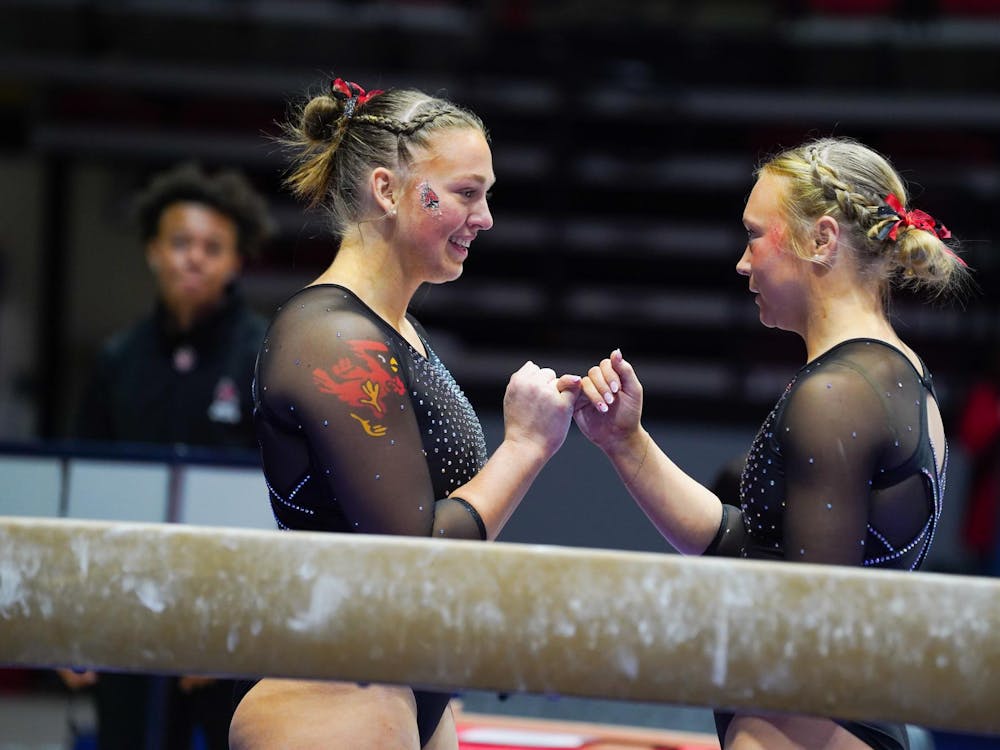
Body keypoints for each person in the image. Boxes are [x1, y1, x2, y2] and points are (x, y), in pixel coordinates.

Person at [573, 137, 966, 750]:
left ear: (822, 239)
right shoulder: (884, 374)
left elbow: (807, 638)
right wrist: (628, 444)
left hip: (809, 727)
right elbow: (751, 549)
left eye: (755, 234)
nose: (742, 262)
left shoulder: (839, 393)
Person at [228, 78, 580, 750]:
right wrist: (526, 446)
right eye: (466, 193)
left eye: (488, 195)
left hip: (404, 690)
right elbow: (412, 554)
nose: (486, 218)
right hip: (331, 701)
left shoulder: (400, 333)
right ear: (387, 191)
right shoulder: (335, 340)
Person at [65, 162, 274, 750]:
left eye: (212, 247)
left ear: (236, 261)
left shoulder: (265, 357)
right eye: (180, 243)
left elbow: (285, 501)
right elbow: (84, 497)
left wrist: (240, 632)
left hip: (233, 616)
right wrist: (72, 624)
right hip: (130, 612)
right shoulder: (117, 361)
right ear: (153, 251)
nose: (194, 258)